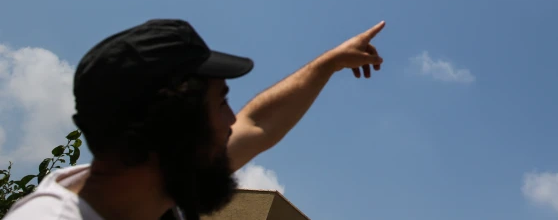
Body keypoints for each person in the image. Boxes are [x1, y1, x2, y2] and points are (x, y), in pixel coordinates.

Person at [4, 18, 387, 220]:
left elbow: (260, 123)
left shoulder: (162, 188)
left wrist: (331, 62)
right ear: (174, 125)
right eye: (221, 104)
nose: (231, 122)